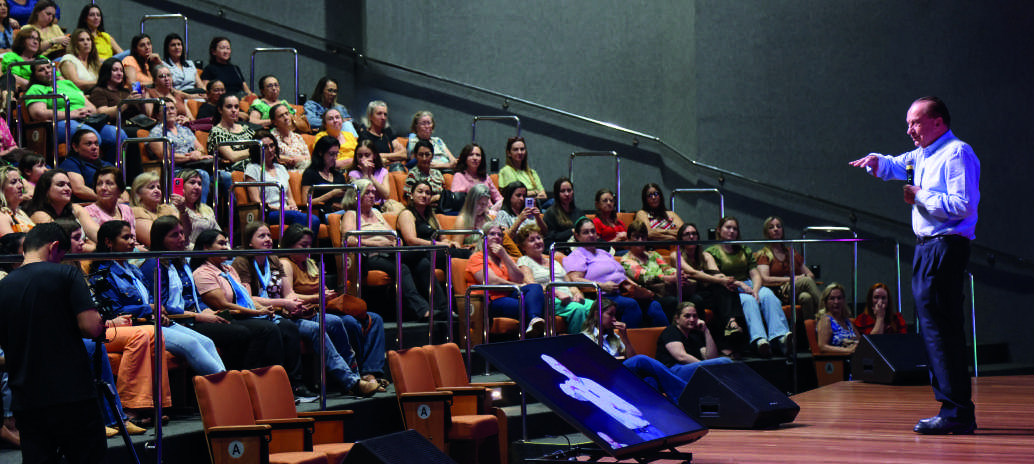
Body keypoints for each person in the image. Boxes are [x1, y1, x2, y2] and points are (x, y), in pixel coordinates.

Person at [850, 96, 979, 435]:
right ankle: (954, 409)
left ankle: (956, 411)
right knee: (935, 328)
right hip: (928, 248)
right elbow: (897, 165)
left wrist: (920, 195)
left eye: (916, 123)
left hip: (945, 246)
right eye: (908, 123)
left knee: (940, 329)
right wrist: (878, 161)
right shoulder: (923, 154)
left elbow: (963, 205)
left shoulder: (956, 153)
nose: (909, 130)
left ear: (939, 122)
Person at [233, 222, 382, 396]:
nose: (267, 239)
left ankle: (355, 377)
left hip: (288, 312)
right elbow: (249, 299)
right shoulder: (242, 262)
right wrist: (288, 303)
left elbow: (288, 293)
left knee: (335, 322)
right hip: (267, 315)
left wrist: (294, 304)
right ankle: (351, 382)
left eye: (268, 235)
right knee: (317, 329)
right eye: (261, 236)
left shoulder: (273, 260)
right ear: (249, 242)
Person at [0, 223, 106, 463]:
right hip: (71, 394)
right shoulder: (66, 274)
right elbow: (90, 327)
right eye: (62, 255)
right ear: (55, 247)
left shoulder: (3, 286)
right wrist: (100, 324)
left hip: (26, 398)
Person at [191, 229, 317, 400]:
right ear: (206, 248)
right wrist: (257, 311)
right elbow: (223, 304)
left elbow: (246, 297)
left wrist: (263, 308)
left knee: (287, 327)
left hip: (246, 313)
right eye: (221, 244)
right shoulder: (202, 273)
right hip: (228, 315)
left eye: (227, 243)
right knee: (268, 329)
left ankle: (295, 383)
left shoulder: (228, 268)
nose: (227, 247)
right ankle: (268, 387)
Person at [139, 217, 270, 373]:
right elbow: (164, 306)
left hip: (195, 317)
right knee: (240, 333)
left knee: (249, 329)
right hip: (180, 321)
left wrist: (206, 311)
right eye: (174, 235)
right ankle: (228, 384)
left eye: (182, 233)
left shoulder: (180, 262)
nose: (181, 238)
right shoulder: (154, 265)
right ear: (161, 239)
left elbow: (195, 298)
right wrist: (199, 316)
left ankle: (245, 382)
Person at [341, 178, 430, 321]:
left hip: (389, 253)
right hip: (368, 257)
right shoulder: (351, 214)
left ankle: (443, 308)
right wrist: (377, 243)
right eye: (367, 192)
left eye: (373, 192)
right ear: (356, 195)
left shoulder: (376, 213)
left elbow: (395, 238)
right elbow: (349, 240)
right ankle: (422, 310)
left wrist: (382, 241)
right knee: (402, 268)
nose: (372, 196)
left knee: (423, 262)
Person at [704, 216, 791, 358]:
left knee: (768, 294)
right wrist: (741, 285)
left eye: (735, 229)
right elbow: (719, 277)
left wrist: (755, 291)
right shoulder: (711, 252)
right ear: (719, 230)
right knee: (749, 301)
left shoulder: (744, 249)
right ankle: (760, 341)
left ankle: (781, 337)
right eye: (728, 227)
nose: (732, 231)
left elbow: (755, 274)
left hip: (749, 285)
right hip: (730, 289)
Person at [564, 217, 666, 328]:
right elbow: (575, 280)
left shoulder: (603, 252)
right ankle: (626, 342)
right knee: (631, 304)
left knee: (654, 305)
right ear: (577, 236)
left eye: (593, 231)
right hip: (603, 296)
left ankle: (664, 342)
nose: (591, 235)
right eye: (586, 232)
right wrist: (602, 286)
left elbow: (622, 274)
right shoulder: (576, 255)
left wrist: (637, 287)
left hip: (624, 291)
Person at [581, 299, 690, 402]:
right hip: (607, 377)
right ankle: (685, 394)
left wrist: (625, 336)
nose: (614, 319)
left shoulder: (613, 336)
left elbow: (631, 358)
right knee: (641, 359)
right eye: (610, 314)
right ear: (597, 315)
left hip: (622, 376)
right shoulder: (585, 338)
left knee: (650, 380)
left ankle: (660, 414)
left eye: (615, 315)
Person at [25, 61, 127, 164]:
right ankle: (93, 172)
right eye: (41, 70)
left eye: (48, 67)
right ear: (35, 75)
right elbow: (38, 113)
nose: (47, 71)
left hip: (85, 119)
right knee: (91, 137)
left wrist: (89, 110)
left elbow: (89, 104)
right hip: (60, 122)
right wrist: (71, 114)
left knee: (118, 134)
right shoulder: (36, 89)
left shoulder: (67, 83)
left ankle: (113, 172)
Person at [674, 223, 746, 357]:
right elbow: (693, 273)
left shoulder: (705, 256)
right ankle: (727, 332)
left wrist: (733, 282)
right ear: (680, 238)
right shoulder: (676, 254)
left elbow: (717, 274)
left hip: (706, 292)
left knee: (726, 289)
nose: (691, 237)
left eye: (694, 234)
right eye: (687, 234)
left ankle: (731, 328)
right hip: (688, 293)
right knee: (708, 295)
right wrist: (721, 281)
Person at [465, 221, 547, 336]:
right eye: (492, 234)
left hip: (508, 294)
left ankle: (534, 321)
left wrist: (504, 256)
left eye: (499, 235)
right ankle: (531, 339)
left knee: (535, 287)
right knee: (528, 305)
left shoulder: (504, 257)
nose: (497, 237)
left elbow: (519, 278)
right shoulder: (477, 258)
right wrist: (517, 286)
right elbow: (492, 282)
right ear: (483, 238)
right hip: (490, 300)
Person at [514, 224, 594, 333]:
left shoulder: (554, 261)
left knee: (597, 306)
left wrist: (577, 293)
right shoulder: (524, 261)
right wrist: (557, 293)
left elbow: (570, 284)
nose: (537, 241)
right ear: (523, 247)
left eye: (538, 238)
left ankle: (600, 344)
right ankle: (577, 345)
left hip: (569, 297)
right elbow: (532, 285)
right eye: (531, 240)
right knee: (578, 309)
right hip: (550, 299)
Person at [245, 130, 321, 229]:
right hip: (268, 213)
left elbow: (290, 198)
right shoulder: (252, 169)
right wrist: (281, 209)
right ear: (257, 150)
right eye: (265, 147)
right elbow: (257, 202)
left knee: (314, 219)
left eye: (272, 146)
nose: (270, 150)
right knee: (303, 219)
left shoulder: (280, 168)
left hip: (286, 211)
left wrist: (293, 207)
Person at [755, 216, 822, 320]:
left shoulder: (791, 252)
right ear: (766, 232)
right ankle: (830, 312)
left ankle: (810, 332)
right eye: (771, 227)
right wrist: (792, 279)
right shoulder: (763, 254)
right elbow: (764, 279)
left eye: (778, 226)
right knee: (806, 281)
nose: (776, 229)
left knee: (806, 297)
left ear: (782, 230)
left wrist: (800, 278)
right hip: (778, 292)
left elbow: (810, 275)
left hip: (794, 290)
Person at [147, 100, 214, 203]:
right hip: (174, 170)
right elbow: (165, 155)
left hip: (194, 165)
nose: (170, 111)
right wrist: (190, 157)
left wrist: (198, 153)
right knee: (202, 175)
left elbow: (200, 148)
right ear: (157, 114)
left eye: (172, 108)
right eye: (165, 109)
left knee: (224, 176)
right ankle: (200, 212)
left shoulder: (184, 129)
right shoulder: (155, 133)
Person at [655, 302, 734, 381]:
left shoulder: (693, 336)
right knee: (725, 361)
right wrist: (705, 368)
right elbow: (681, 357)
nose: (692, 319)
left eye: (694, 316)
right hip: (672, 371)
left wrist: (706, 331)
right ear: (677, 319)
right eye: (687, 316)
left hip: (689, 369)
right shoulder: (671, 331)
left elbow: (711, 357)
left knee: (724, 363)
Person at [621, 220, 681, 317]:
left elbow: (667, 268)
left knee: (695, 299)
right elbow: (643, 276)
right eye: (636, 237)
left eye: (643, 237)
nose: (640, 240)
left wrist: (677, 274)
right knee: (672, 301)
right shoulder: (626, 260)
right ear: (628, 239)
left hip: (665, 292)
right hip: (647, 297)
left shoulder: (653, 255)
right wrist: (666, 278)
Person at [25, 169, 100, 242]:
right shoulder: (39, 215)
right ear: (46, 190)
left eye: (69, 185)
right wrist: (91, 246)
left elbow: (98, 236)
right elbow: (62, 246)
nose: (67, 189)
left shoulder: (76, 209)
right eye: (61, 185)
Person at [348, 139, 403, 214]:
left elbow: (386, 195)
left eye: (367, 155)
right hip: (363, 209)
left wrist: (370, 176)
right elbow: (360, 197)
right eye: (360, 156)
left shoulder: (382, 171)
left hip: (381, 207)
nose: (363, 159)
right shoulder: (353, 174)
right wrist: (365, 173)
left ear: (374, 155)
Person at [300, 135, 347, 221]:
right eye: (331, 154)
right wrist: (331, 194)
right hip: (322, 214)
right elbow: (306, 202)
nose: (335, 158)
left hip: (340, 213)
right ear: (320, 153)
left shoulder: (339, 176)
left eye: (337, 154)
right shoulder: (310, 173)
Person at [88, 57, 149, 122]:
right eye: (115, 70)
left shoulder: (126, 91)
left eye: (121, 71)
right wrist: (126, 103)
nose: (119, 73)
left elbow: (145, 115)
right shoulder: (99, 91)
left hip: (138, 124)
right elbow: (102, 113)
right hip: (119, 127)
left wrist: (142, 101)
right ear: (106, 72)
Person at [58, 129, 112, 202]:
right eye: (89, 144)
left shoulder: (106, 165)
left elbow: (120, 187)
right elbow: (79, 190)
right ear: (75, 147)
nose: (94, 147)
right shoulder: (70, 163)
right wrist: (106, 199)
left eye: (96, 144)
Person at [129, 171, 179, 249]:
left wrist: (183, 211)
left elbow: (184, 233)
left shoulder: (166, 208)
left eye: (158, 187)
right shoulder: (136, 211)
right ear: (138, 193)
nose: (157, 191)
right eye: (151, 187)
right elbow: (155, 241)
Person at [83, 166, 136, 237]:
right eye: (99, 184)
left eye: (109, 183)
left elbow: (133, 238)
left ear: (119, 188)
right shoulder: (87, 213)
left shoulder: (127, 210)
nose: (103, 188)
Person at [174, 169, 218, 248]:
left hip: (211, 253)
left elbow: (218, 233)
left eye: (200, 184)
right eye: (192, 182)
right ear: (181, 185)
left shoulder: (206, 208)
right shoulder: (172, 209)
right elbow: (180, 241)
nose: (197, 187)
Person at [207, 93, 255, 163]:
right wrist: (256, 151)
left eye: (236, 107)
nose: (233, 110)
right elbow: (233, 157)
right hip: (232, 170)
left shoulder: (246, 129)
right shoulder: (217, 132)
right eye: (229, 107)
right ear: (220, 110)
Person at [357, 100, 407, 167]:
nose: (383, 118)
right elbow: (367, 158)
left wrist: (381, 156)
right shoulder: (365, 135)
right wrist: (394, 157)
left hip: (393, 168)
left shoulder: (387, 132)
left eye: (385, 114)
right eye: (379, 114)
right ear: (370, 116)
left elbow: (404, 154)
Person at [814, 283, 859, 355]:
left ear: (844, 300)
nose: (836, 302)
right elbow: (822, 347)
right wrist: (848, 350)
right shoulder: (826, 320)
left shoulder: (846, 321)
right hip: (838, 361)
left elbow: (860, 341)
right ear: (826, 302)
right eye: (832, 298)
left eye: (839, 298)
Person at [498, 136, 547, 201]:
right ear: (509, 153)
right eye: (516, 149)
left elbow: (544, 195)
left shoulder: (532, 172)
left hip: (538, 202)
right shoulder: (506, 170)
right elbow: (516, 193)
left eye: (522, 149)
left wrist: (529, 194)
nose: (520, 152)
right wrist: (535, 192)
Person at [403, 140, 448, 208]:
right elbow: (411, 201)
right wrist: (435, 198)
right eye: (421, 155)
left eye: (427, 154)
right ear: (416, 156)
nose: (424, 158)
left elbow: (444, 194)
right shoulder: (413, 175)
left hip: (442, 208)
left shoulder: (437, 173)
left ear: (432, 155)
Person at [542, 177, 582, 248]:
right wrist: (571, 232)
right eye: (563, 191)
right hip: (560, 248)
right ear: (557, 194)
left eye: (569, 190)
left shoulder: (578, 212)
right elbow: (549, 237)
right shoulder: (550, 213)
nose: (567, 194)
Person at [270, 103, 310, 170]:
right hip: (283, 170)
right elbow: (270, 156)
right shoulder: (271, 138)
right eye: (281, 116)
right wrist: (291, 159)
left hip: (304, 167)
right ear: (274, 122)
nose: (286, 118)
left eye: (287, 114)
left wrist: (302, 158)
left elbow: (309, 157)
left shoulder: (298, 137)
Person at [0, 165, 33, 236]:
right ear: (1, 189)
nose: (21, 186)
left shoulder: (20, 212)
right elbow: (11, 245)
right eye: (13, 182)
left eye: (20, 181)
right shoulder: (2, 215)